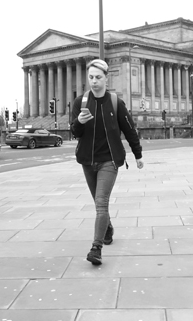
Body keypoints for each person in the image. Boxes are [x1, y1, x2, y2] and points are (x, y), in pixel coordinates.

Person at [71, 59, 144, 266]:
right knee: (98, 202)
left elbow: (129, 130)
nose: (94, 82)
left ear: (106, 78)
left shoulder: (115, 103)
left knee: (101, 202)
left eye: (98, 77)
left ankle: (96, 248)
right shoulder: (80, 103)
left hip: (109, 161)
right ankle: (108, 227)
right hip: (88, 161)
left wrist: (137, 155)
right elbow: (74, 132)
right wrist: (79, 122)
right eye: (91, 77)